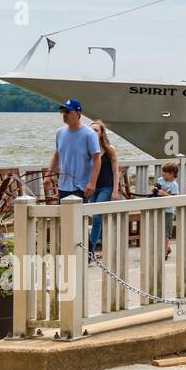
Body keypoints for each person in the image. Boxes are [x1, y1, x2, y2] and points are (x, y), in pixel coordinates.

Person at [49, 99, 100, 208]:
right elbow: (56, 155)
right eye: (63, 112)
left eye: (68, 112)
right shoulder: (60, 132)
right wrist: (47, 176)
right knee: (63, 221)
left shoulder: (89, 134)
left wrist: (92, 183)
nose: (64, 115)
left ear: (78, 113)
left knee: (79, 222)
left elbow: (97, 158)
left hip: (80, 188)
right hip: (62, 186)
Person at [85, 120, 121, 256]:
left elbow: (115, 171)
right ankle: (91, 248)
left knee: (97, 217)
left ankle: (90, 251)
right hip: (92, 187)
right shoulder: (88, 150)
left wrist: (115, 191)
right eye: (91, 130)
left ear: (101, 133)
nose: (93, 132)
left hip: (106, 187)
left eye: (96, 130)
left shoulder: (109, 149)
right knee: (89, 217)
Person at [152, 161, 180, 260]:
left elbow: (174, 198)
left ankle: (164, 252)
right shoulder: (160, 180)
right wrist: (155, 190)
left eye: (164, 173)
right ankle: (165, 248)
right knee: (157, 230)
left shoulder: (174, 185)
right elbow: (156, 189)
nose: (162, 174)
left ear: (171, 173)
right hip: (158, 209)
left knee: (166, 232)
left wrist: (164, 193)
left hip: (168, 211)